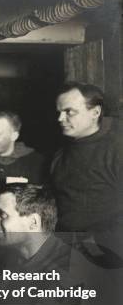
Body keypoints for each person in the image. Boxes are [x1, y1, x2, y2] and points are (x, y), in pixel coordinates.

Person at [50, 82, 122, 265]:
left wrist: (96, 245)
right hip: (67, 251)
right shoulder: (60, 153)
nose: (60, 118)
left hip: (107, 254)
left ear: (95, 113)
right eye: (59, 112)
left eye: (69, 112)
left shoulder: (116, 150)